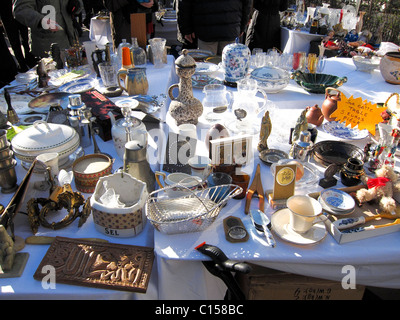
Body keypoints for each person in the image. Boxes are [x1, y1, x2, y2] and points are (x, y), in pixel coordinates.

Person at [177, 0, 252, 56]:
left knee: (208, 68)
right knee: (227, 67)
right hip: (228, 26)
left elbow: (184, 3)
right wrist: (242, 25)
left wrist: (186, 28)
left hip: (206, 28)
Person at [13, 0, 81, 58]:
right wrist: (40, 20)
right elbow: (21, 9)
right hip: (47, 50)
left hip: (71, 44)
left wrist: (77, 4)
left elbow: (79, 5)